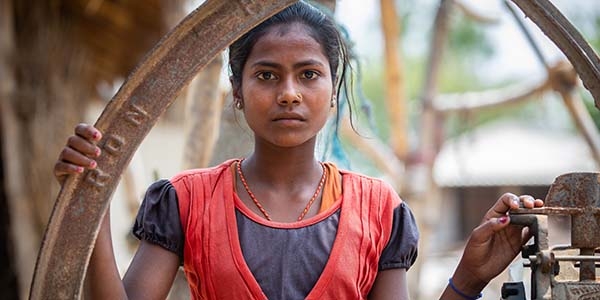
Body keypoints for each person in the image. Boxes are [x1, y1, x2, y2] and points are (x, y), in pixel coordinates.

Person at [53, 2, 544, 299]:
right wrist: (86, 208)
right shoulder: (186, 201)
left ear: (332, 92)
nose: (289, 92)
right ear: (238, 91)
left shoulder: (378, 210)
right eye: (267, 75)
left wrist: (469, 277)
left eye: (308, 74)